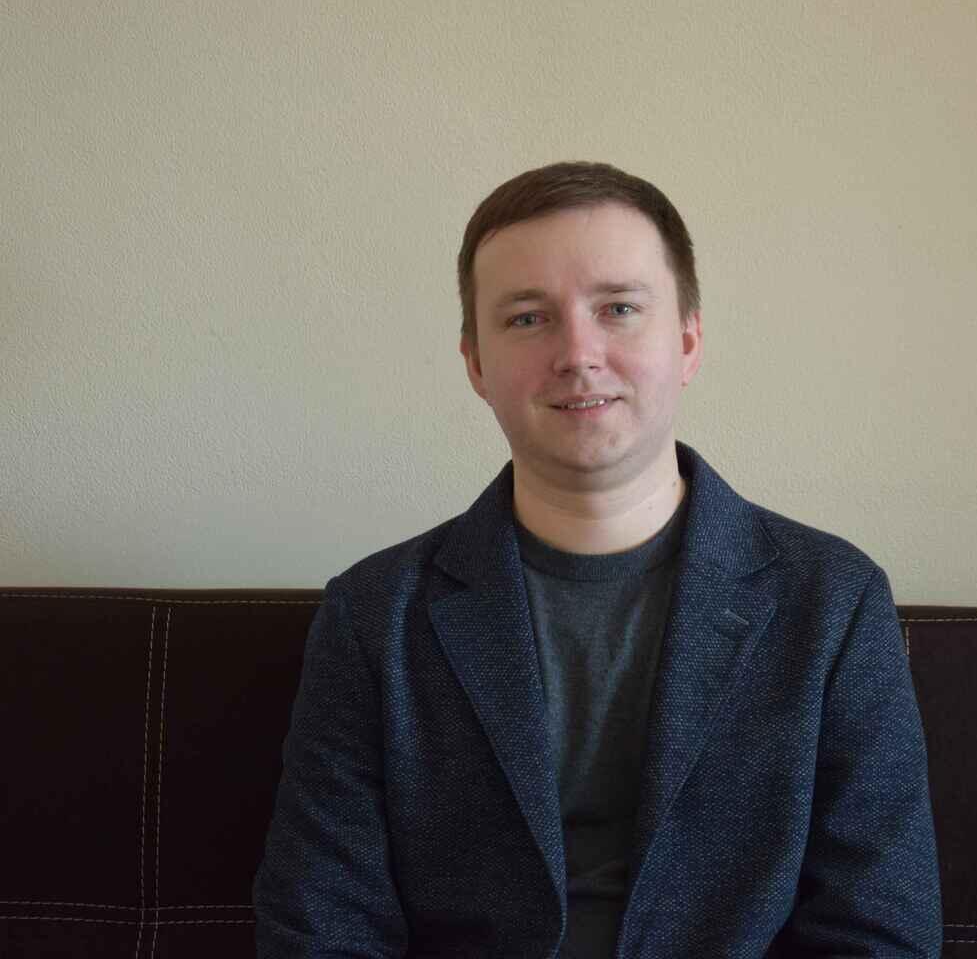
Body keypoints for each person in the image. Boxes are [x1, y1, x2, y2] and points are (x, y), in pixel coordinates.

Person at [253, 160, 942, 957]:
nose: (577, 353)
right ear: (475, 364)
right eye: (526, 318)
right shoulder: (374, 615)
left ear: (687, 341)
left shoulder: (834, 603)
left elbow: (876, 932)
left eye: (617, 308)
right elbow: (321, 928)